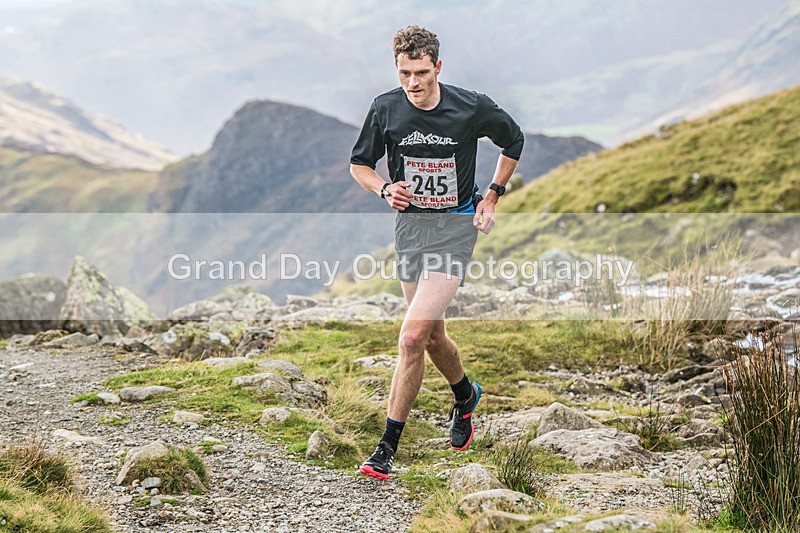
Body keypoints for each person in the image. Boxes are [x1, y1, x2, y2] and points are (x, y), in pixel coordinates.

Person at [349, 25, 524, 480]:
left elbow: (513, 140)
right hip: (410, 229)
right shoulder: (385, 109)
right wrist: (385, 188)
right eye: (405, 72)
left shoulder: (469, 106)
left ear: (438, 68)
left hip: (454, 230)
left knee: (409, 339)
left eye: (422, 72)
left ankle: (386, 448)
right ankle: (465, 395)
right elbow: (359, 165)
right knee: (430, 338)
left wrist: (491, 197)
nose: (413, 82)